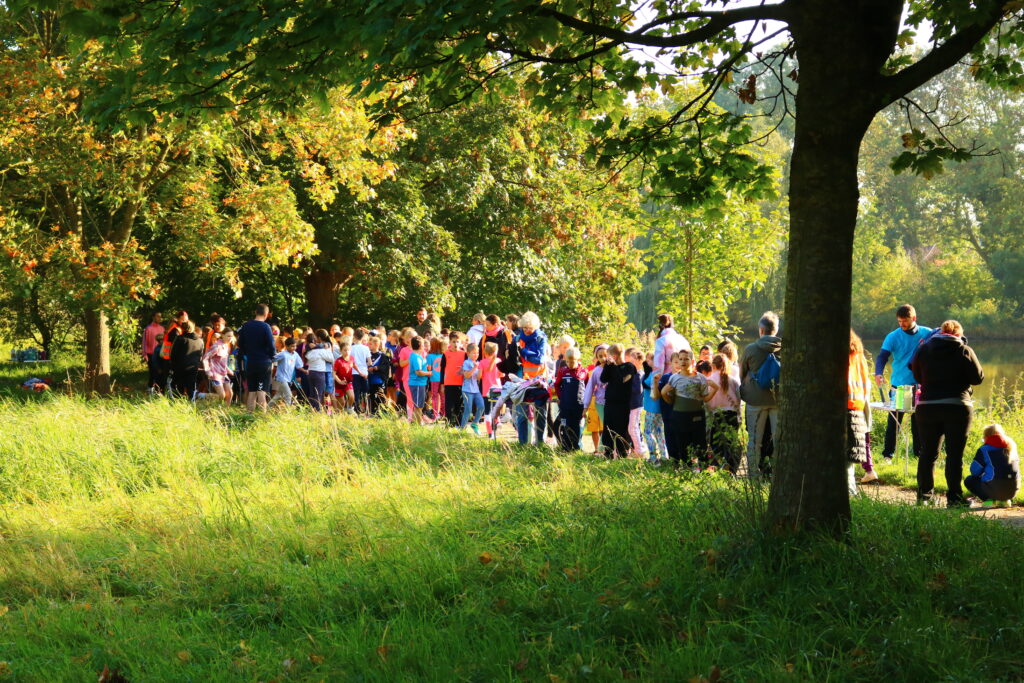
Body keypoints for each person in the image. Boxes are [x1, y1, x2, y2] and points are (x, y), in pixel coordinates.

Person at [911, 320, 984, 507]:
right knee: (954, 455)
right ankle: (954, 499)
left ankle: (924, 497)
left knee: (927, 453)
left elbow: (915, 373)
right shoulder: (964, 350)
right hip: (957, 406)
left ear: (940, 332)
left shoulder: (923, 349)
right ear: (959, 334)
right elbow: (978, 378)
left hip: (927, 406)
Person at [875, 304, 932, 462]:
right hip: (898, 386)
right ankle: (888, 456)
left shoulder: (927, 333)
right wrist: (878, 372)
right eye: (899, 321)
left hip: (920, 387)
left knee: (919, 424)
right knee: (894, 423)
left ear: (914, 318)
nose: (902, 324)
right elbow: (882, 357)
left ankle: (918, 456)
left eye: (905, 321)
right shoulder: (893, 336)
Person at [655, 350, 718, 468]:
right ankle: (686, 470)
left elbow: (705, 398)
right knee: (682, 444)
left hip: (697, 416)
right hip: (680, 417)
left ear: (692, 361)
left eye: (686, 359)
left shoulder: (700, 378)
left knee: (700, 444)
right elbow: (669, 398)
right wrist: (664, 394)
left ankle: (704, 470)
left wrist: (715, 389)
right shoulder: (674, 378)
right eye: (681, 359)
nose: (683, 361)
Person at [740, 311, 782, 478]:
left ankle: (753, 475)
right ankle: (777, 474)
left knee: (755, 440)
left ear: (761, 330)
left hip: (755, 401)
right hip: (778, 400)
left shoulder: (750, 349)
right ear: (775, 330)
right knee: (778, 440)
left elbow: (742, 373)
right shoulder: (785, 349)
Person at [513, 312, 550, 445]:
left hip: (540, 380)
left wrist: (524, 352)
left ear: (536, 327)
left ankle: (540, 443)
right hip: (522, 380)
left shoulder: (541, 338)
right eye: (525, 328)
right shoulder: (517, 338)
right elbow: (513, 358)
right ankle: (522, 444)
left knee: (540, 414)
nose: (527, 330)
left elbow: (539, 359)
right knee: (522, 414)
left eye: (530, 328)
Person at [965, 424, 1020, 505]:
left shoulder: (984, 449)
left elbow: (974, 472)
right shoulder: (1012, 446)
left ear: (986, 437)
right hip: (1013, 490)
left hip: (995, 489)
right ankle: (1005, 501)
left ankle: (990, 501)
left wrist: (984, 473)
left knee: (969, 480)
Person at [236, 304, 277, 412]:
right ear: (266, 314)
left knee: (252, 391)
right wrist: (273, 358)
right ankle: (262, 418)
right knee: (261, 391)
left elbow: (240, 344)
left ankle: (249, 415)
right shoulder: (266, 327)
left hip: (251, 362)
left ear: (255, 312)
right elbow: (271, 346)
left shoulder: (246, 326)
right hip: (264, 363)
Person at [846, 330, 873, 495]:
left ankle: (849, 491)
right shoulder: (859, 355)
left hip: (843, 406)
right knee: (849, 455)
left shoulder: (839, 356)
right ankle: (851, 490)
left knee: (842, 454)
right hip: (858, 405)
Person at [600, 344, 635, 459]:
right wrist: (607, 366)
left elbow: (622, 380)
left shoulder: (629, 367)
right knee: (607, 429)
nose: (607, 358)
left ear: (614, 356)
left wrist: (614, 366)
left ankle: (622, 454)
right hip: (610, 403)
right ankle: (608, 453)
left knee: (620, 429)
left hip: (622, 404)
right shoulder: (610, 367)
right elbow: (603, 379)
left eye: (608, 355)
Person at [708, 352, 741, 472]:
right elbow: (738, 398)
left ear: (713, 365)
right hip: (732, 414)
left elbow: (708, 400)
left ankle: (716, 467)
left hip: (717, 414)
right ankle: (731, 468)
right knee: (731, 442)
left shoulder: (710, 379)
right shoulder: (732, 380)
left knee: (716, 442)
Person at [554, 346, 588, 451]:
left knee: (577, 427)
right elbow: (557, 385)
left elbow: (588, 388)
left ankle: (576, 448)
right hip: (565, 406)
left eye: (572, 362)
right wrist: (560, 397)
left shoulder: (584, 372)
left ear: (578, 360)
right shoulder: (562, 371)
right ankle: (565, 447)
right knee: (564, 426)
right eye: (568, 362)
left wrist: (586, 404)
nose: (570, 364)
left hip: (578, 406)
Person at [641, 352, 668, 464]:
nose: (646, 362)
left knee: (647, 432)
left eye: (649, 360)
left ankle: (653, 456)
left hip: (652, 408)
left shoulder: (654, 374)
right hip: (659, 408)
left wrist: (646, 372)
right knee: (659, 432)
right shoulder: (661, 372)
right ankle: (664, 455)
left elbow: (645, 383)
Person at [196, 328, 234, 406]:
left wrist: (228, 370)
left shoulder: (226, 346)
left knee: (230, 394)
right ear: (222, 335)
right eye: (228, 336)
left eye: (231, 336)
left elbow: (222, 362)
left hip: (223, 374)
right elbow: (205, 358)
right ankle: (199, 395)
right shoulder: (216, 346)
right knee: (221, 395)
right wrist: (208, 371)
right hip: (215, 374)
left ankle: (225, 410)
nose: (230, 338)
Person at [582, 345, 609, 453]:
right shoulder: (596, 371)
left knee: (609, 426)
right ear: (597, 358)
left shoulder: (614, 368)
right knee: (606, 425)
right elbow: (589, 388)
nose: (603, 358)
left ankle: (607, 449)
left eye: (605, 355)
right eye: (600, 356)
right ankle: (601, 450)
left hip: (612, 402)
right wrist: (585, 406)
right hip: (600, 403)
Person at [170, 320, 204, 399]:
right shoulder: (200, 341)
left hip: (180, 367)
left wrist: (172, 366)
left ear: (182, 328)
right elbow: (200, 355)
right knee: (191, 388)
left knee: (178, 388)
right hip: (193, 367)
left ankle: (177, 403)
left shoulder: (180, 339)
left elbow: (173, 354)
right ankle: (191, 403)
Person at [305, 330, 336, 412]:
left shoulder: (326, 344)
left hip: (324, 370)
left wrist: (316, 346)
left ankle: (324, 409)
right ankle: (319, 409)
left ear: (318, 338)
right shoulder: (320, 348)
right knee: (320, 392)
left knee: (324, 392)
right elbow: (331, 358)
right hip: (321, 371)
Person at [442, 333, 467, 426]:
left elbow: (468, 367)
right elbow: (442, 370)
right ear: (450, 342)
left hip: (461, 383)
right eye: (453, 342)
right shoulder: (445, 354)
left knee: (459, 405)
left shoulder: (464, 354)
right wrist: (442, 384)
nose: (455, 344)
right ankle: (449, 424)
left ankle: (459, 424)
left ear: (460, 343)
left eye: (457, 342)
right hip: (449, 383)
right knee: (449, 405)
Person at [269, 336, 301, 408]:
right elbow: (273, 360)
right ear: (286, 346)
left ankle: (267, 408)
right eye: (292, 346)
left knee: (277, 396)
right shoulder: (282, 354)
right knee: (288, 395)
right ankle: (288, 412)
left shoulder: (293, 354)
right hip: (281, 378)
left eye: (295, 346)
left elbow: (297, 366)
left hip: (287, 379)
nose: (294, 348)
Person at [460, 342, 485, 432]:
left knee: (482, 406)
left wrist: (480, 369)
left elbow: (478, 378)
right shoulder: (466, 362)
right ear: (468, 353)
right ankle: (462, 429)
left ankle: (475, 423)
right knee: (468, 410)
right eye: (474, 353)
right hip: (467, 390)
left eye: (477, 353)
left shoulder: (477, 363)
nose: (476, 355)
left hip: (476, 390)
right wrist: (474, 368)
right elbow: (466, 376)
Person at [407, 336, 431, 424]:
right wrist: (429, 373)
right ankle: (418, 424)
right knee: (418, 405)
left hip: (420, 383)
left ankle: (414, 423)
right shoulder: (416, 357)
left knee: (419, 405)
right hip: (417, 383)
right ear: (420, 345)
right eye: (423, 344)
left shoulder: (417, 356)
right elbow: (418, 372)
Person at [366, 335, 391, 415]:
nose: (369, 345)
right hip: (370, 380)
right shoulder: (368, 355)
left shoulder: (383, 356)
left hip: (379, 380)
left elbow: (386, 367)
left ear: (376, 345)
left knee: (380, 396)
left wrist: (377, 368)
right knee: (371, 396)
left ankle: (381, 412)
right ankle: (372, 411)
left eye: (370, 344)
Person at [349, 329, 372, 414]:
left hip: (353, 372)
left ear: (354, 336)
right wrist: (364, 364)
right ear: (363, 337)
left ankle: (357, 409)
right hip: (364, 372)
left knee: (356, 391)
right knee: (365, 392)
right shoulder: (366, 348)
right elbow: (370, 362)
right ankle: (366, 410)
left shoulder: (351, 348)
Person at [141, 312, 164, 391]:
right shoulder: (148, 328)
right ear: (153, 317)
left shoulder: (162, 328)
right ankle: (150, 387)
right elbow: (144, 342)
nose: (159, 318)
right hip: (151, 354)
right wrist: (144, 353)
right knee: (153, 371)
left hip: (161, 353)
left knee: (160, 371)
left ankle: (159, 389)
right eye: (158, 316)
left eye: (160, 317)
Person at [332, 342, 355, 413]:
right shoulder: (338, 361)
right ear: (341, 351)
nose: (347, 352)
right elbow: (333, 374)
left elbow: (354, 366)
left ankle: (349, 408)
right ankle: (339, 415)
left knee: (351, 396)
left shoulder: (352, 358)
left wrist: (361, 372)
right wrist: (340, 381)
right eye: (345, 350)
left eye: (348, 350)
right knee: (342, 403)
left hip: (348, 382)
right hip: (338, 384)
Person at [427, 338, 445, 421]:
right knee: (443, 396)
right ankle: (443, 413)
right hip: (443, 378)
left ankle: (435, 414)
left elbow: (429, 368)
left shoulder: (429, 356)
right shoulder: (443, 355)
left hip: (434, 379)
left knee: (434, 397)